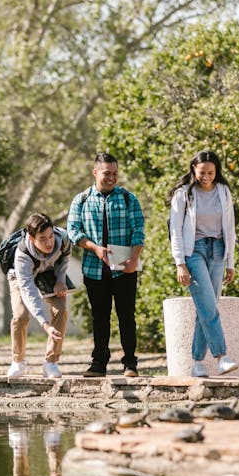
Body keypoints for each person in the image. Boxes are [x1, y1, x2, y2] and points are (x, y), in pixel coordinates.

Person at [67, 152, 145, 377]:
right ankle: (99, 363)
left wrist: (134, 260)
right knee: (100, 318)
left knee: (126, 316)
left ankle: (130, 363)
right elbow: (73, 232)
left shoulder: (129, 198)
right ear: (95, 173)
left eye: (115, 174)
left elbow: (138, 231)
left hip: (124, 269)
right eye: (106, 173)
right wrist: (95, 248)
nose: (111, 178)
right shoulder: (81, 200)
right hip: (94, 270)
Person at [168, 150, 239, 378]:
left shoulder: (223, 192)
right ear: (193, 171)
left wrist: (231, 262)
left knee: (205, 306)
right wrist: (180, 263)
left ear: (217, 172)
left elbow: (230, 228)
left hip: (218, 250)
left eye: (211, 172)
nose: (206, 176)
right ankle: (222, 357)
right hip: (194, 251)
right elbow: (175, 231)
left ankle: (197, 362)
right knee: (208, 305)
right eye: (202, 172)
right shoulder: (183, 194)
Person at [6, 212, 72, 378]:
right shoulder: (22, 256)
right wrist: (44, 324)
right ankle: (18, 361)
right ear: (32, 237)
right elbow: (28, 292)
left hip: (49, 272)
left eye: (50, 236)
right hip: (21, 277)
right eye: (43, 238)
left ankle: (51, 363)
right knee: (20, 315)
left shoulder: (63, 238)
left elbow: (65, 259)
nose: (49, 242)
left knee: (61, 310)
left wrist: (60, 279)